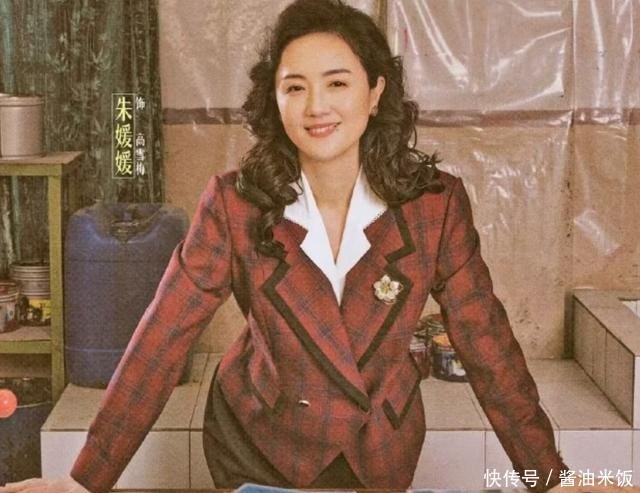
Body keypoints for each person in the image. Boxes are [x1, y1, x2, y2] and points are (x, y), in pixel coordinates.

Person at [0, 1, 634, 492]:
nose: (316, 107)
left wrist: (550, 478)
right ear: (275, 99)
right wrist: (85, 480)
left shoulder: (434, 206)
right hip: (259, 439)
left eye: (336, 83)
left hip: (377, 446)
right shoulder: (235, 204)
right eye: (295, 86)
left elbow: (487, 343)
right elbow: (162, 336)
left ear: (375, 92)